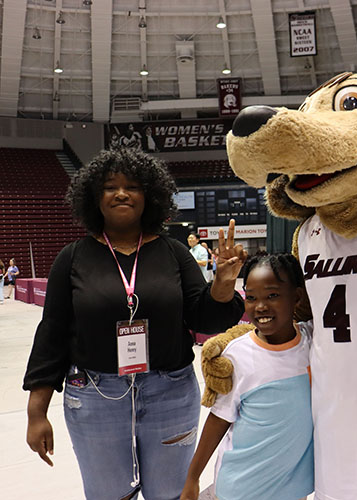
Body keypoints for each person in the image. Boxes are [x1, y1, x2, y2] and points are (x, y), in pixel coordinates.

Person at [23, 148, 247, 500]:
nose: (122, 193)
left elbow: (206, 318)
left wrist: (223, 282)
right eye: (110, 187)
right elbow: (51, 333)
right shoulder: (72, 258)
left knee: (170, 493)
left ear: (150, 196)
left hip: (170, 393)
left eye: (132, 186)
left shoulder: (174, 253)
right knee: (108, 495)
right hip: (95, 395)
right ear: (95, 198)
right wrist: (37, 411)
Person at [181, 253, 314, 500]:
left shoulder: (312, 342)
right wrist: (193, 478)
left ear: (296, 297)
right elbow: (218, 420)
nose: (260, 306)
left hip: (293, 488)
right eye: (251, 298)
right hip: (242, 488)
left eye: (272, 295)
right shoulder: (237, 355)